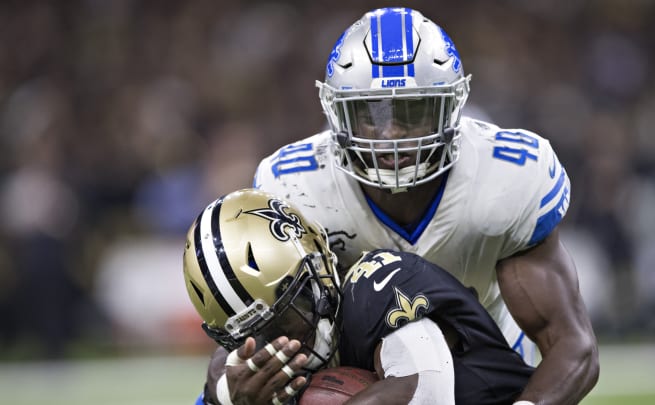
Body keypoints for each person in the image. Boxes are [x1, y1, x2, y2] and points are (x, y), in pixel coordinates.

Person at [204, 6, 599, 405]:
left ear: (451, 108)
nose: (390, 132)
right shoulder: (298, 188)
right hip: (357, 370)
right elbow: (255, 324)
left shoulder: (504, 178)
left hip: (487, 375)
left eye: (411, 111)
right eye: (369, 113)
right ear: (337, 113)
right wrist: (224, 392)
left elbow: (572, 342)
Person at [184, 189, 535, 404]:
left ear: (316, 267)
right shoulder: (254, 365)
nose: (284, 342)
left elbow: (428, 393)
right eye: (259, 335)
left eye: (287, 316)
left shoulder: (375, 290)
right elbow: (219, 379)